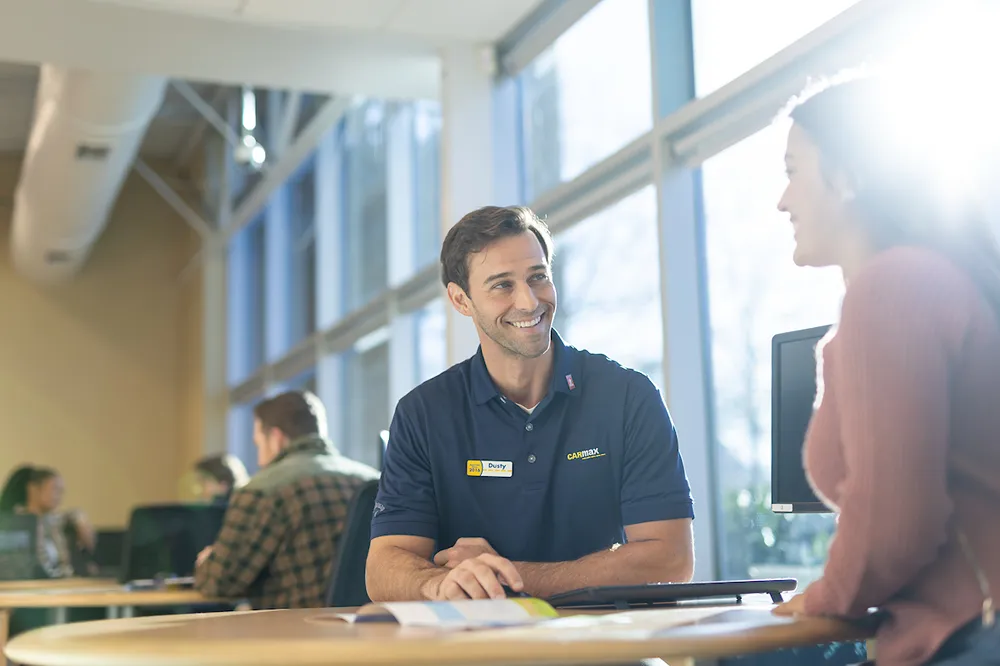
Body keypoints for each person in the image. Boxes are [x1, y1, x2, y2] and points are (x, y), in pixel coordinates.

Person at [770, 73, 1000, 666]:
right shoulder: (923, 281)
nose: (783, 199)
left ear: (847, 178)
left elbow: (895, 522)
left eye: (794, 171)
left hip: (970, 635)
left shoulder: (893, 287)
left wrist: (828, 596)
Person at [366, 205, 695, 602]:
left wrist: (511, 577)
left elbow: (672, 559)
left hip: (601, 646)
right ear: (461, 300)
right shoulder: (423, 414)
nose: (528, 301)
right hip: (476, 650)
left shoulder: (628, 397)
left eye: (538, 278)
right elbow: (384, 567)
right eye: (502, 285)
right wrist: (437, 583)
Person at [194, 390, 380, 609]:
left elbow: (219, 583)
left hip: (290, 634)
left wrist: (207, 562)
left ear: (276, 439)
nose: (259, 459)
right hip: (370, 630)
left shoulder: (261, 490)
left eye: (258, 444)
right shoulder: (374, 481)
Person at [0, 465, 96, 578]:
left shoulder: (59, 522)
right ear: (33, 489)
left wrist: (80, 518)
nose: (59, 496)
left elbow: (90, 546)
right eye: (54, 489)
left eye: (61, 491)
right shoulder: (12, 523)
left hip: (61, 583)